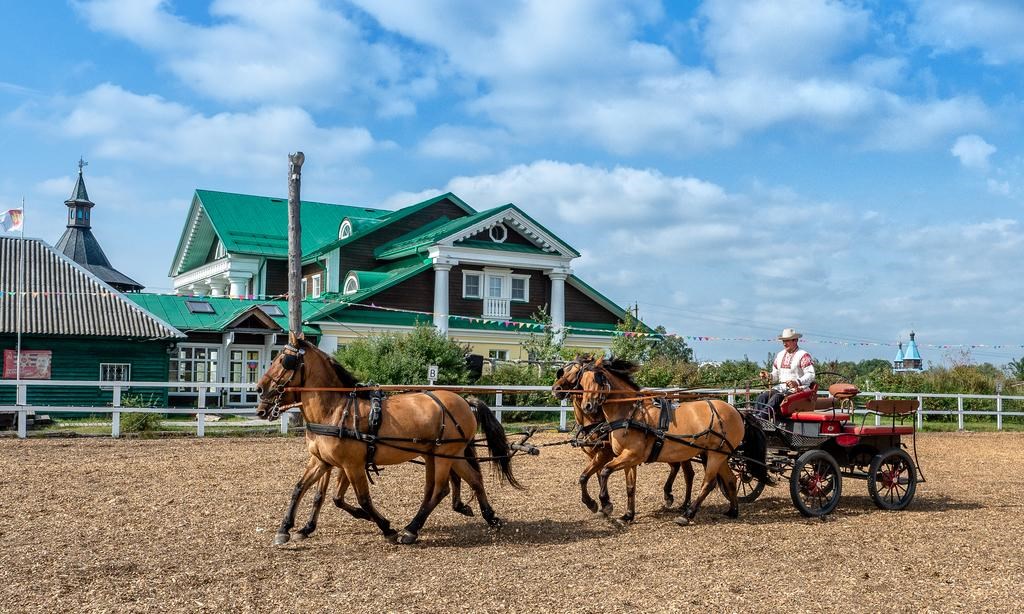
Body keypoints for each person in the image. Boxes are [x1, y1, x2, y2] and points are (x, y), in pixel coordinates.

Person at [756, 328, 816, 418]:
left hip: (798, 389)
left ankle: (760, 418)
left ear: (795, 340)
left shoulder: (803, 355)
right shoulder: (779, 355)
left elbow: (811, 374)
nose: (784, 343)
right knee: (762, 397)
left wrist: (797, 382)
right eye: (783, 341)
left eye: (787, 340)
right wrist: (769, 375)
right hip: (781, 388)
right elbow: (775, 375)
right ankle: (756, 416)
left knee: (776, 397)